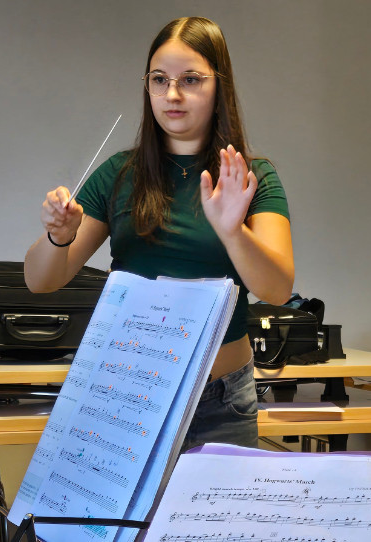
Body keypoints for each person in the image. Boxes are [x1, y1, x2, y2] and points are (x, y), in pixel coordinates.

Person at [24, 16, 294, 450]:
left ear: (219, 86)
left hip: (221, 401)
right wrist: (59, 235)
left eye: (190, 79)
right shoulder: (119, 174)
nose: (172, 94)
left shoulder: (250, 177)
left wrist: (232, 232)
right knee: (132, 522)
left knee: (209, 521)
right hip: (128, 395)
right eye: (159, 79)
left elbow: (278, 289)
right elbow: (40, 281)